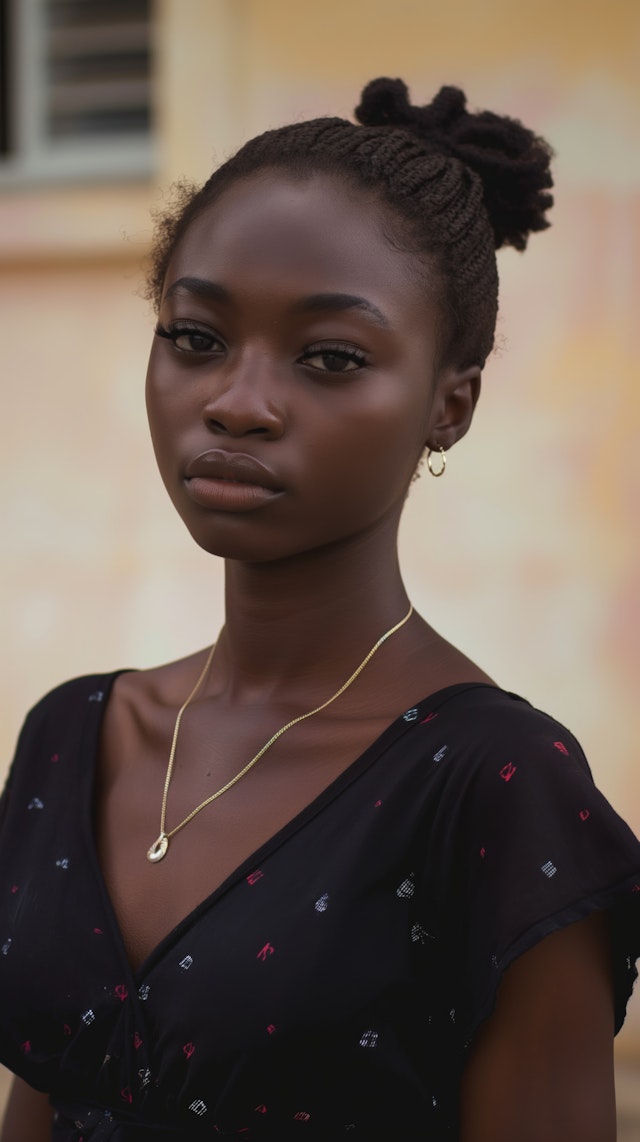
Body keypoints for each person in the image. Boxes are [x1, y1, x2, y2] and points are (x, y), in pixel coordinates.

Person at [0, 77, 639, 1142]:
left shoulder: (495, 787)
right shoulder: (72, 738)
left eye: (329, 357)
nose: (236, 401)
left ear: (450, 402)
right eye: (195, 337)